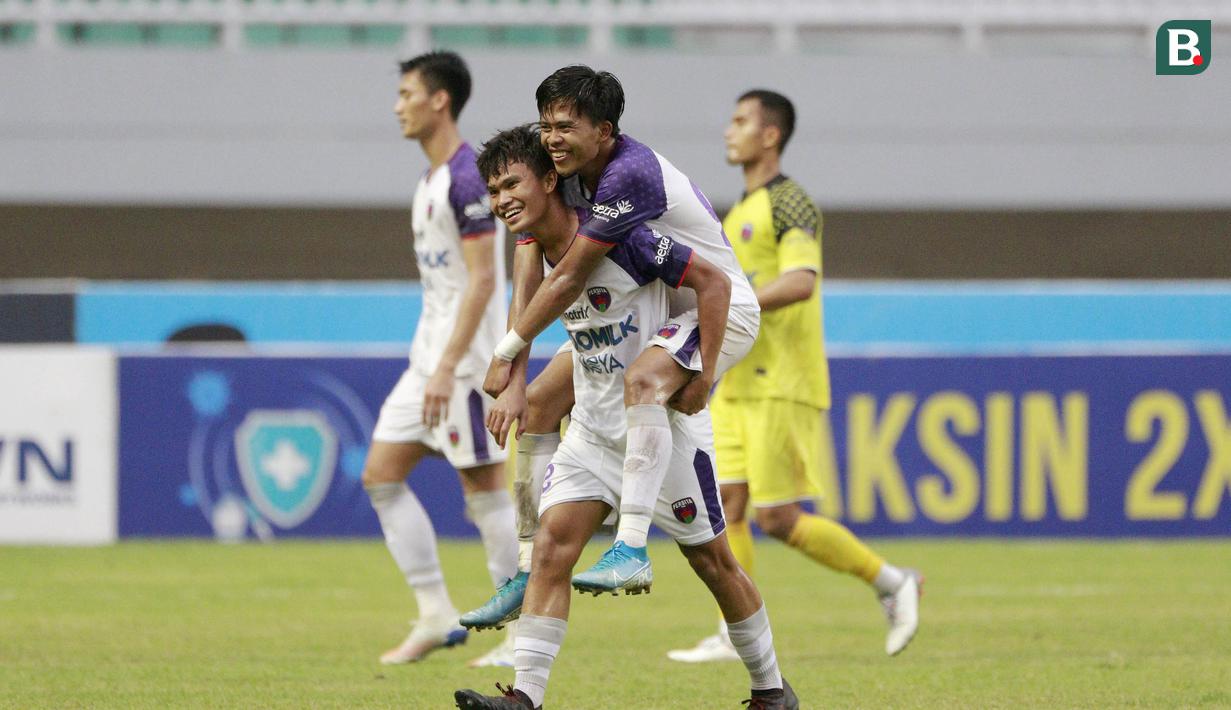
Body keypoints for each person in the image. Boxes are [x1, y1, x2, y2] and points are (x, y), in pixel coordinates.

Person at [454, 125, 797, 710]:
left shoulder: (626, 240)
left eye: (512, 183)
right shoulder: (534, 249)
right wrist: (515, 383)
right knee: (553, 552)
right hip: (594, 431)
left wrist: (706, 373)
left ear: (549, 180)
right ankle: (523, 698)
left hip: (660, 435)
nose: (502, 199)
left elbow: (713, 283)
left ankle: (771, 690)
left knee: (713, 562)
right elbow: (530, 311)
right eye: (493, 190)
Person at [479, 66, 760, 599]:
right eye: (546, 126)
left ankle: (630, 547)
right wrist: (516, 375)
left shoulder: (628, 173)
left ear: (603, 131)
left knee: (644, 381)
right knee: (538, 404)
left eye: (565, 126)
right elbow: (530, 266)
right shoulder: (566, 173)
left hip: (719, 309)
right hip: (656, 311)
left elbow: (565, 279)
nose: (552, 139)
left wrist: (705, 377)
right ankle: (525, 568)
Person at [668, 90, 923, 663]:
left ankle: (891, 581)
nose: (728, 131)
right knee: (725, 504)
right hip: (736, 384)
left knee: (777, 518)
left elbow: (801, 280)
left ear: (770, 135)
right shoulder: (736, 212)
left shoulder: (792, 203)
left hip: (782, 381)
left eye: (740, 121)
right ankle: (735, 634)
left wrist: (733, 304)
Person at [361, 51, 518, 668]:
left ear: (439, 100)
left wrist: (452, 367)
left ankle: (521, 632)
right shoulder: (429, 181)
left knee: (484, 492)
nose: (397, 105)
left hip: (463, 364)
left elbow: (484, 282)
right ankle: (435, 614)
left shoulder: (469, 177)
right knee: (381, 474)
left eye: (406, 93)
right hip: (427, 359)